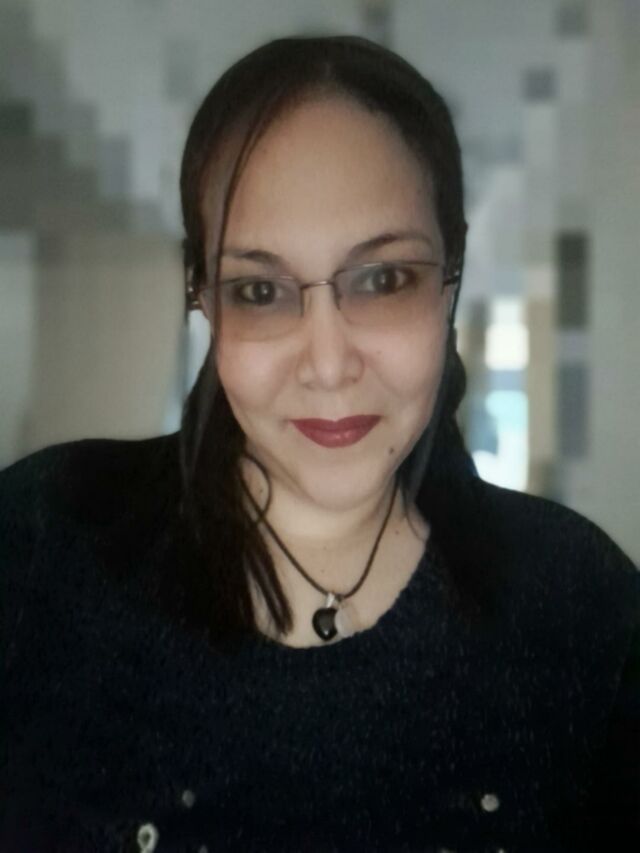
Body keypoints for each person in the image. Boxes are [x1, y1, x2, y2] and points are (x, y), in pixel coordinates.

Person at [0, 35, 638, 853]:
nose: (329, 366)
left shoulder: (581, 605)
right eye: (260, 290)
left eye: (384, 279)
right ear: (202, 295)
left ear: (451, 273)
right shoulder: (42, 545)